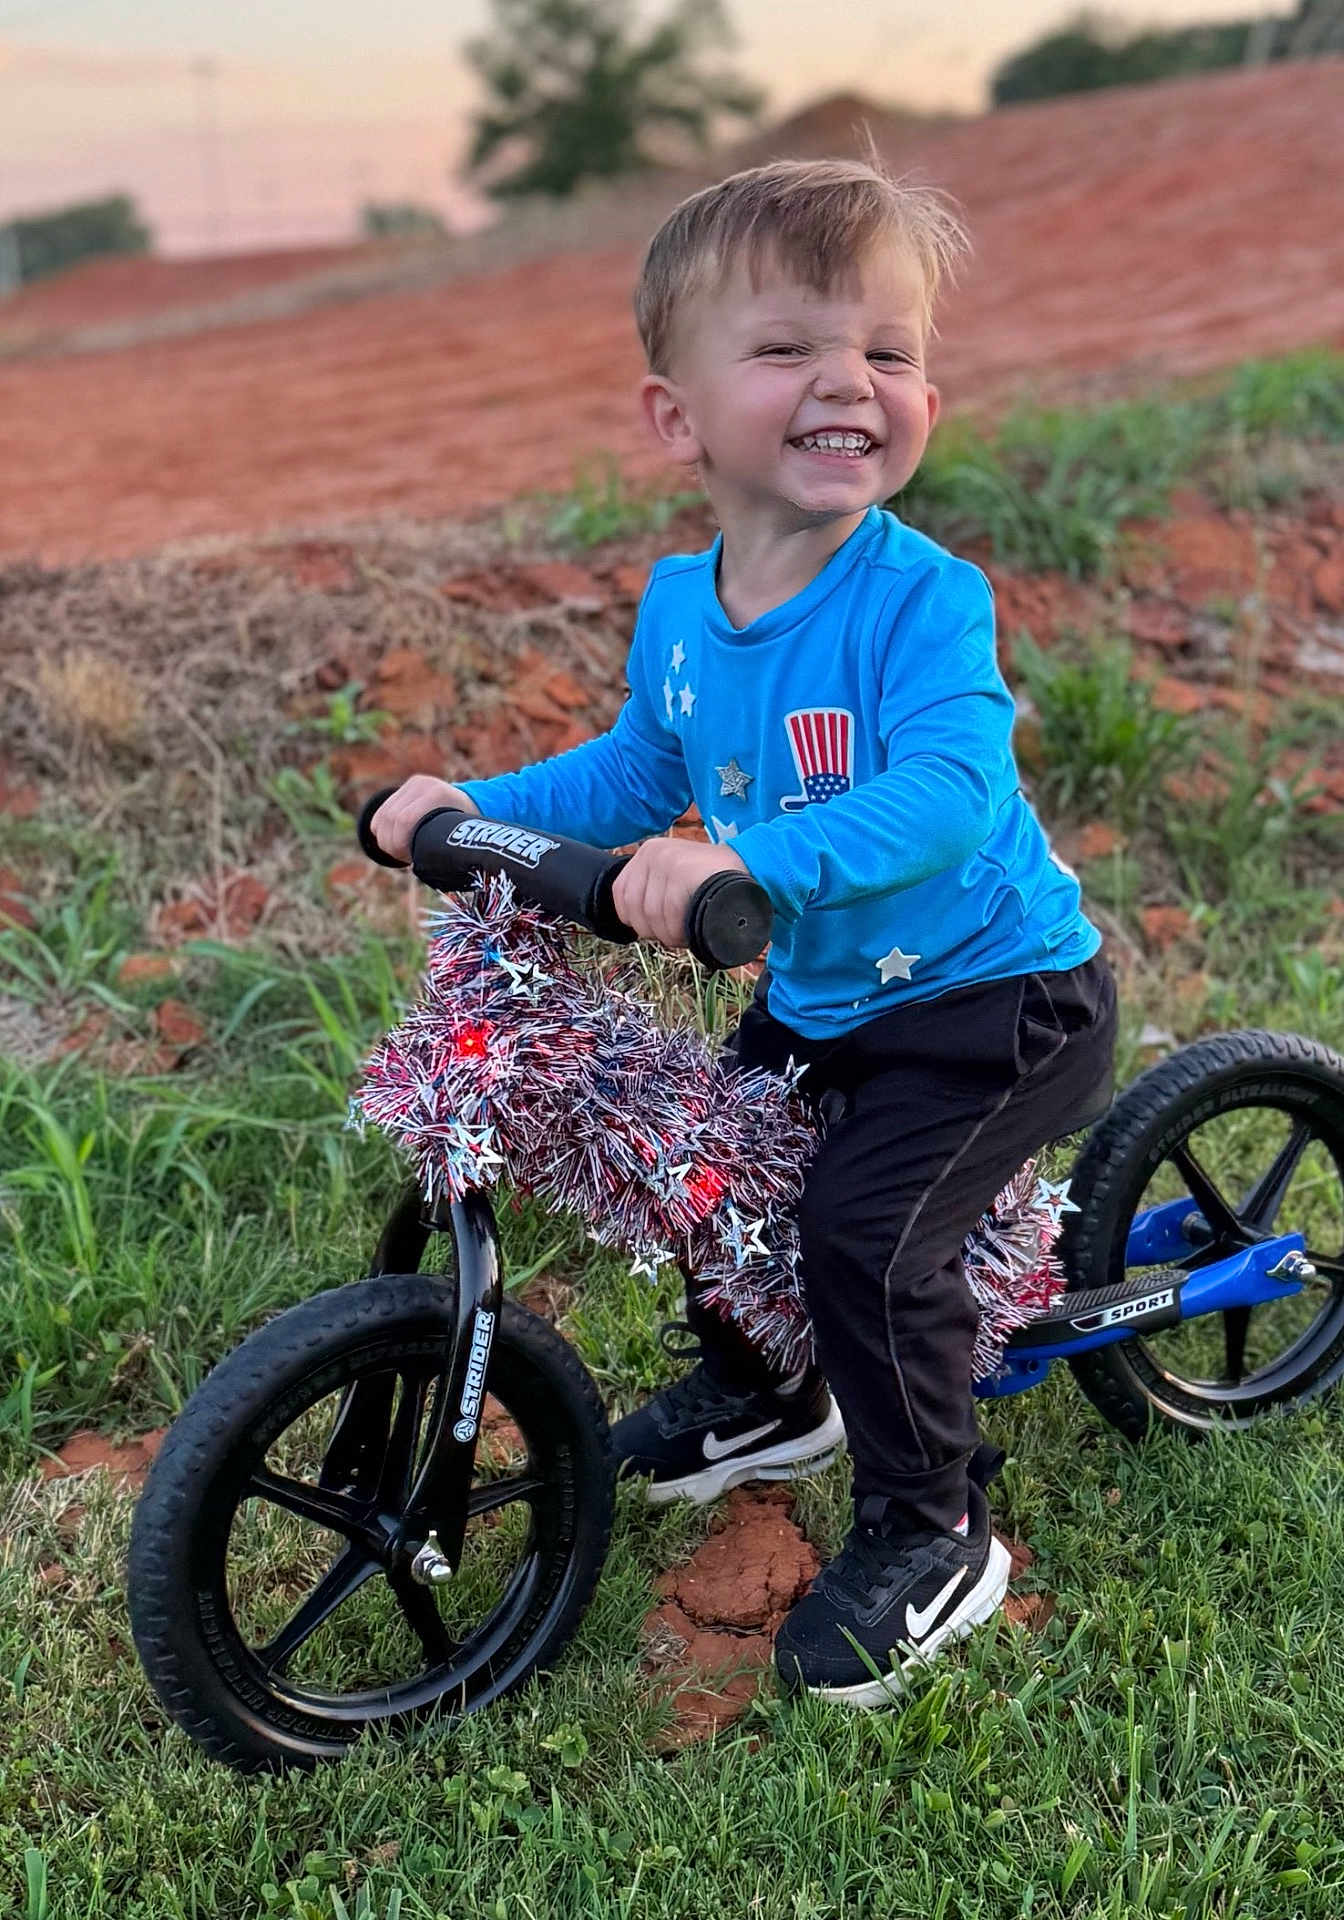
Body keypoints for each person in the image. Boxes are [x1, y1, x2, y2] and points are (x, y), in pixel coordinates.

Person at [370, 155, 1117, 1709]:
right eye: (788, 350)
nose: (850, 382)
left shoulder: (924, 603)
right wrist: (470, 806)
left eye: (890, 353)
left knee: (863, 1232)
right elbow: (638, 767)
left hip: (997, 1002)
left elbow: (947, 797)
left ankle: (933, 1527)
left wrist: (742, 859)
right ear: (676, 416)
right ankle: (767, 1396)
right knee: (710, 1161)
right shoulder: (680, 603)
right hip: (839, 999)